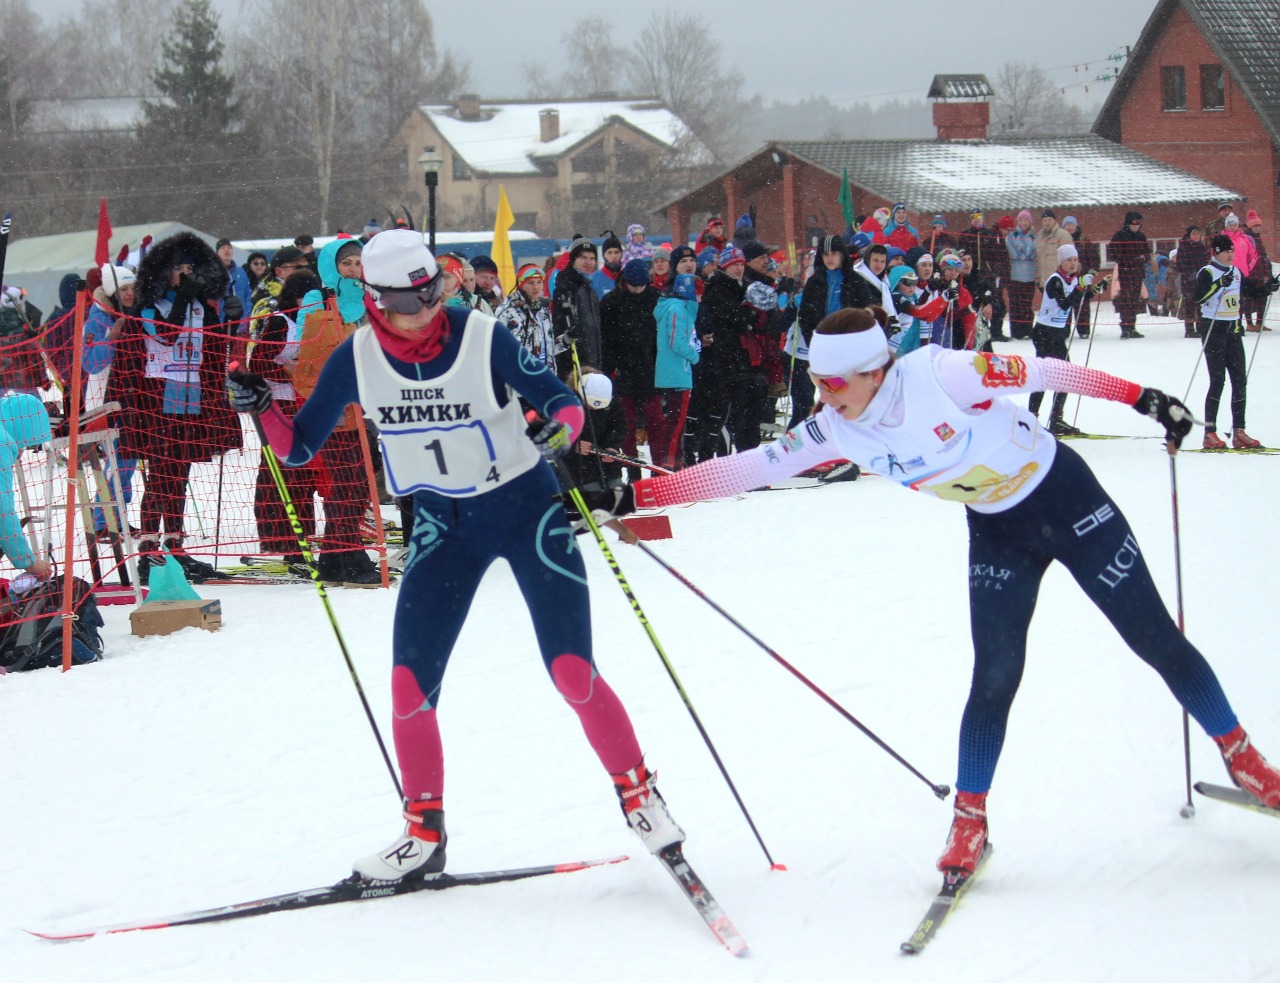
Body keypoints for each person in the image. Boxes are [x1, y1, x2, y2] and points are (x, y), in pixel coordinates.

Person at [582, 305, 1280, 875]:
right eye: (817, 382)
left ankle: (1242, 754)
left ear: (877, 369)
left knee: (1152, 636)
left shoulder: (944, 373)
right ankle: (970, 816)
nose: (823, 397)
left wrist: (1143, 397)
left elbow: (1047, 368)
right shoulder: (834, 427)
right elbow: (746, 469)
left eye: (836, 383)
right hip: (999, 530)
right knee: (995, 672)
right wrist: (635, 493)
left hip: (1067, 502)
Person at [225, 228, 684, 883]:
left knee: (572, 671)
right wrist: (261, 407)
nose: (424, 312)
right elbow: (297, 446)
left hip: (525, 512)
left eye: (430, 294)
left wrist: (562, 427)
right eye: (408, 302)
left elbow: (562, 401)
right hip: (443, 528)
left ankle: (641, 796)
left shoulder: (478, 334)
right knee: (410, 686)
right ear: (376, 299)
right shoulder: (356, 357)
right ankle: (423, 832)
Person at [125, 232, 239, 583]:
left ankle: (175, 546)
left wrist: (228, 318)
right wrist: (182, 301)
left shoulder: (196, 304)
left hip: (190, 397)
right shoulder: (147, 306)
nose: (186, 274)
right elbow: (166, 335)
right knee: (160, 476)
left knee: (180, 475)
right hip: (158, 399)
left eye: (190, 267)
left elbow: (215, 345)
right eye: (179, 269)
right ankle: (148, 551)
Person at [1194, 234, 1278, 449]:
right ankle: (1210, 432)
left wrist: (1269, 287)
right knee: (1218, 381)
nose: (1231, 255)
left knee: (1240, 380)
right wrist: (1219, 284)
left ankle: (1239, 431)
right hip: (1213, 328)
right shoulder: (1208, 272)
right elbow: (1200, 297)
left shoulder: (1236, 271)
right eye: (1226, 251)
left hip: (1233, 329)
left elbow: (1253, 292)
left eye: (1232, 251)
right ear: (1216, 252)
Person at [1028, 243, 1099, 436]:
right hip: (1044, 333)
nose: (1072, 264)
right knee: (1044, 376)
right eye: (1068, 260)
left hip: (1057, 333)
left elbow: (1080, 298)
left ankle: (1056, 419)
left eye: (1075, 260)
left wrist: (1097, 287)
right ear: (1061, 262)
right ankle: (1032, 418)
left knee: (1066, 375)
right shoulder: (1055, 281)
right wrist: (1081, 286)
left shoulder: (1074, 280)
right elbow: (1065, 303)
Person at [0, 393, 54, 580]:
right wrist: (29, 562)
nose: (22, 453)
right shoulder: (2, 442)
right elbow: (2, 510)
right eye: (28, 445)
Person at [652, 273, 700, 470]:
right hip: (678, 372)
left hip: (674, 371)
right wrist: (694, 356)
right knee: (676, 423)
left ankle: (675, 462)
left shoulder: (675, 307)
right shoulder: (676, 308)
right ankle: (670, 464)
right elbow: (676, 341)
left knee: (676, 422)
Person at [493, 264, 555, 369]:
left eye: (539, 282)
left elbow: (545, 348)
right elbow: (509, 350)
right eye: (530, 283)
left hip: (544, 374)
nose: (536, 287)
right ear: (521, 285)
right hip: (523, 375)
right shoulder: (509, 312)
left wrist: (565, 341)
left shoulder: (542, 310)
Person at [1108, 211, 1149, 339]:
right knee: (1126, 301)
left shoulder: (1141, 237)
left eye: (1139, 224)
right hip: (1126, 273)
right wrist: (1130, 259)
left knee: (1135, 302)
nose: (1136, 226)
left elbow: (1147, 253)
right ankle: (1125, 328)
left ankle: (1132, 327)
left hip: (1138, 273)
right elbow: (1113, 254)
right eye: (1134, 224)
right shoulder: (1119, 236)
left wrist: (1143, 258)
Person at [1004, 210, 1038, 340]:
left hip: (1029, 276)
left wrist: (1023, 253)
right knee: (1015, 304)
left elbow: (1035, 253)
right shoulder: (1011, 236)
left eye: (1026, 220)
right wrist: (1025, 254)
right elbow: (1013, 253)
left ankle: (1027, 330)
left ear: (1030, 222)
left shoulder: (1034, 236)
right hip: (1015, 276)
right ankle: (1016, 331)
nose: (1023, 223)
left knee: (1027, 305)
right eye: (1021, 220)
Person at [1176, 226, 1210, 338]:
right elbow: (1181, 264)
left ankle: (1201, 327)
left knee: (1201, 304)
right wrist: (1190, 274)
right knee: (1189, 304)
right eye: (1194, 234)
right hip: (1188, 280)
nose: (1196, 236)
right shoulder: (1184, 247)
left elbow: (1206, 262)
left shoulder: (1202, 247)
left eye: (1198, 234)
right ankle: (1189, 329)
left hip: (1201, 280)